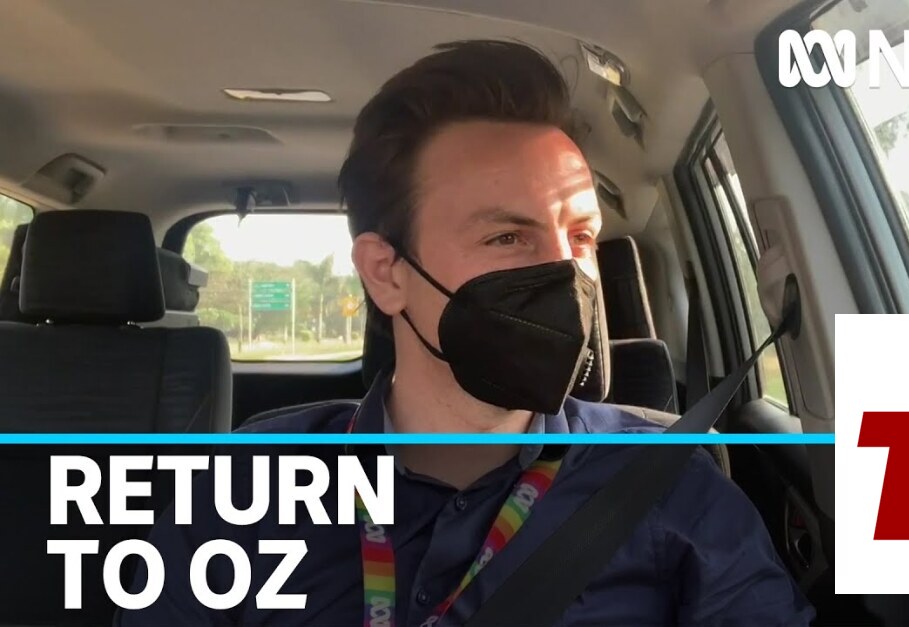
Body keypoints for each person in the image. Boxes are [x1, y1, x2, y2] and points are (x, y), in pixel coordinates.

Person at [121, 40, 815, 626]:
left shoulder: (664, 480)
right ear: (386, 273)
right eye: (507, 236)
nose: (563, 272)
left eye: (580, 237)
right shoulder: (244, 483)